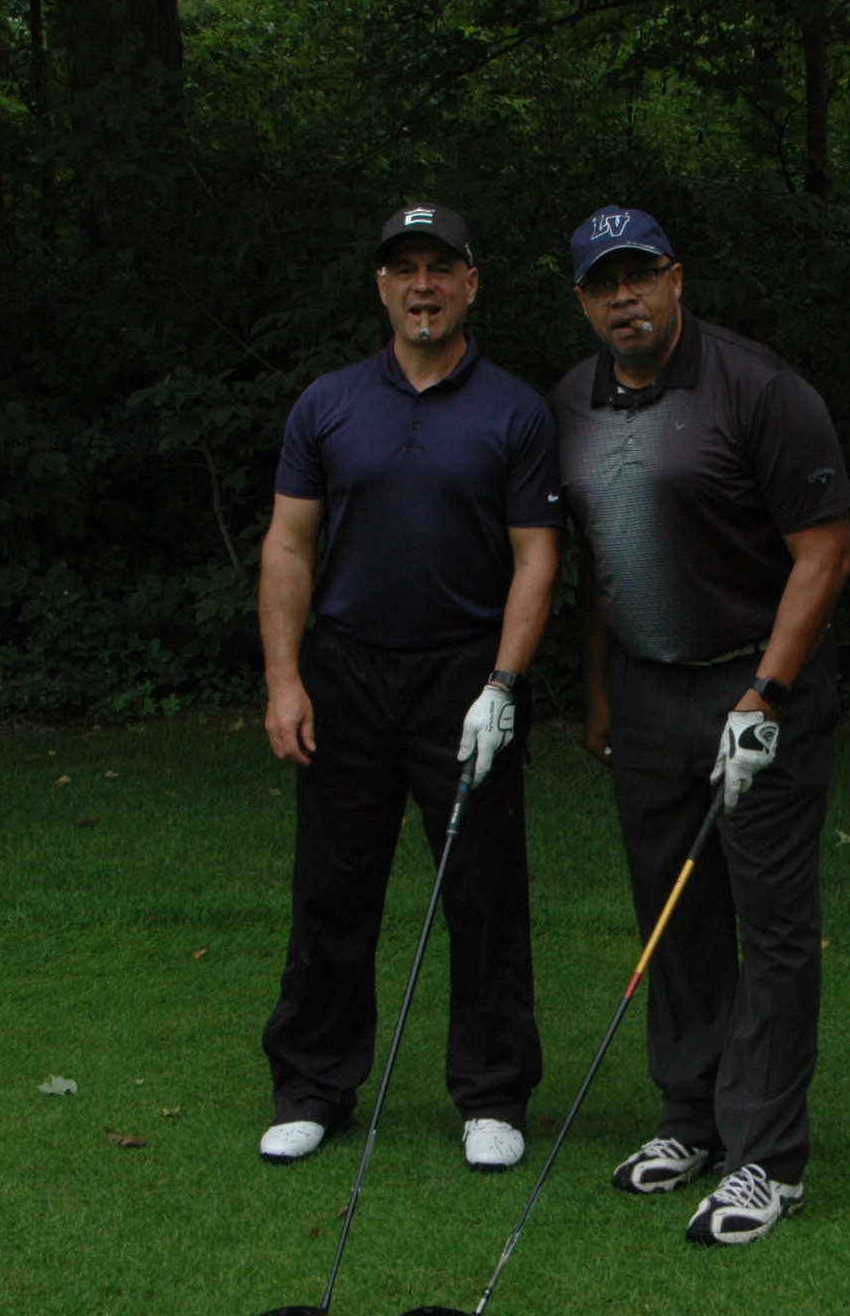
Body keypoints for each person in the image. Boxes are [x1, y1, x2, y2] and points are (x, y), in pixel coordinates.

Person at [550, 205, 850, 1246]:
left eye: (640, 275)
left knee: (771, 924)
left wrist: (765, 696)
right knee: (672, 913)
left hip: (755, 684)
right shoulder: (571, 402)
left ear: (675, 279)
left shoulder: (758, 388)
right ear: (582, 299)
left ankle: (766, 1156)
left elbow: (826, 552)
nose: (624, 297)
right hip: (644, 690)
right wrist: (598, 692)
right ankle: (692, 1118)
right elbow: (600, 558)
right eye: (603, 283)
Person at [256, 202, 560, 1174]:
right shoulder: (328, 404)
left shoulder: (515, 410)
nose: (422, 285)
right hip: (346, 672)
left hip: (465, 675)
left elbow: (536, 557)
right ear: (381, 287)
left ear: (471, 283)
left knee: (482, 890)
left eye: (440, 268)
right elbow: (288, 545)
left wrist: (504, 683)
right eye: (404, 269)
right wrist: (284, 679)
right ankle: (313, 1087)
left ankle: (492, 1093)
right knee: (333, 886)